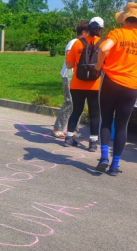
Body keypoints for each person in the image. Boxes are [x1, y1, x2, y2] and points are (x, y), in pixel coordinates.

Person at [95, 3, 137, 176]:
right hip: (131, 86)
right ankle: (114, 166)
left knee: (106, 120)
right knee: (122, 126)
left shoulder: (118, 33)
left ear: (124, 19)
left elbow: (104, 48)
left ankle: (104, 157)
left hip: (111, 82)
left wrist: (99, 66)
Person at [63, 17, 105, 151]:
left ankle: (69, 137)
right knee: (94, 113)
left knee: (76, 110)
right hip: (95, 85)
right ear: (100, 30)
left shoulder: (78, 43)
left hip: (77, 84)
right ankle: (93, 143)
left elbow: (69, 64)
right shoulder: (104, 44)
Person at [51, 21, 89, 139]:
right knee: (69, 102)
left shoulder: (85, 43)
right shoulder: (74, 42)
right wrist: (70, 78)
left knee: (78, 104)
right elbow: (69, 61)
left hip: (79, 77)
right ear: (84, 32)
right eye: (89, 32)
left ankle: (74, 130)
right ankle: (57, 128)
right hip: (69, 76)